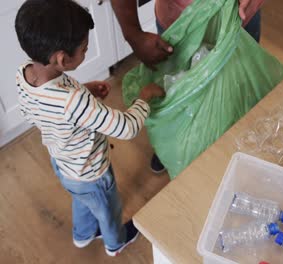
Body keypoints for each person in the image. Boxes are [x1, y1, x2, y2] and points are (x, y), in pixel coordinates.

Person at [15, 0, 166, 256]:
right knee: (108, 209)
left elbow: (47, 107)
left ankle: (82, 234)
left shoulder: (25, 73)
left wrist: (83, 89)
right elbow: (125, 127)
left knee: (82, 201)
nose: (87, 51)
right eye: (84, 48)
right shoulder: (73, 102)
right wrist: (145, 97)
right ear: (62, 59)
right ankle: (114, 242)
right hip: (91, 172)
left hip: (63, 163)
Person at [111, 0, 265, 173]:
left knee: (238, 91)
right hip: (179, 24)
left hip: (240, 17)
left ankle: (230, 148)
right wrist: (133, 34)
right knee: (175, 94)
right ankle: (174, 144)